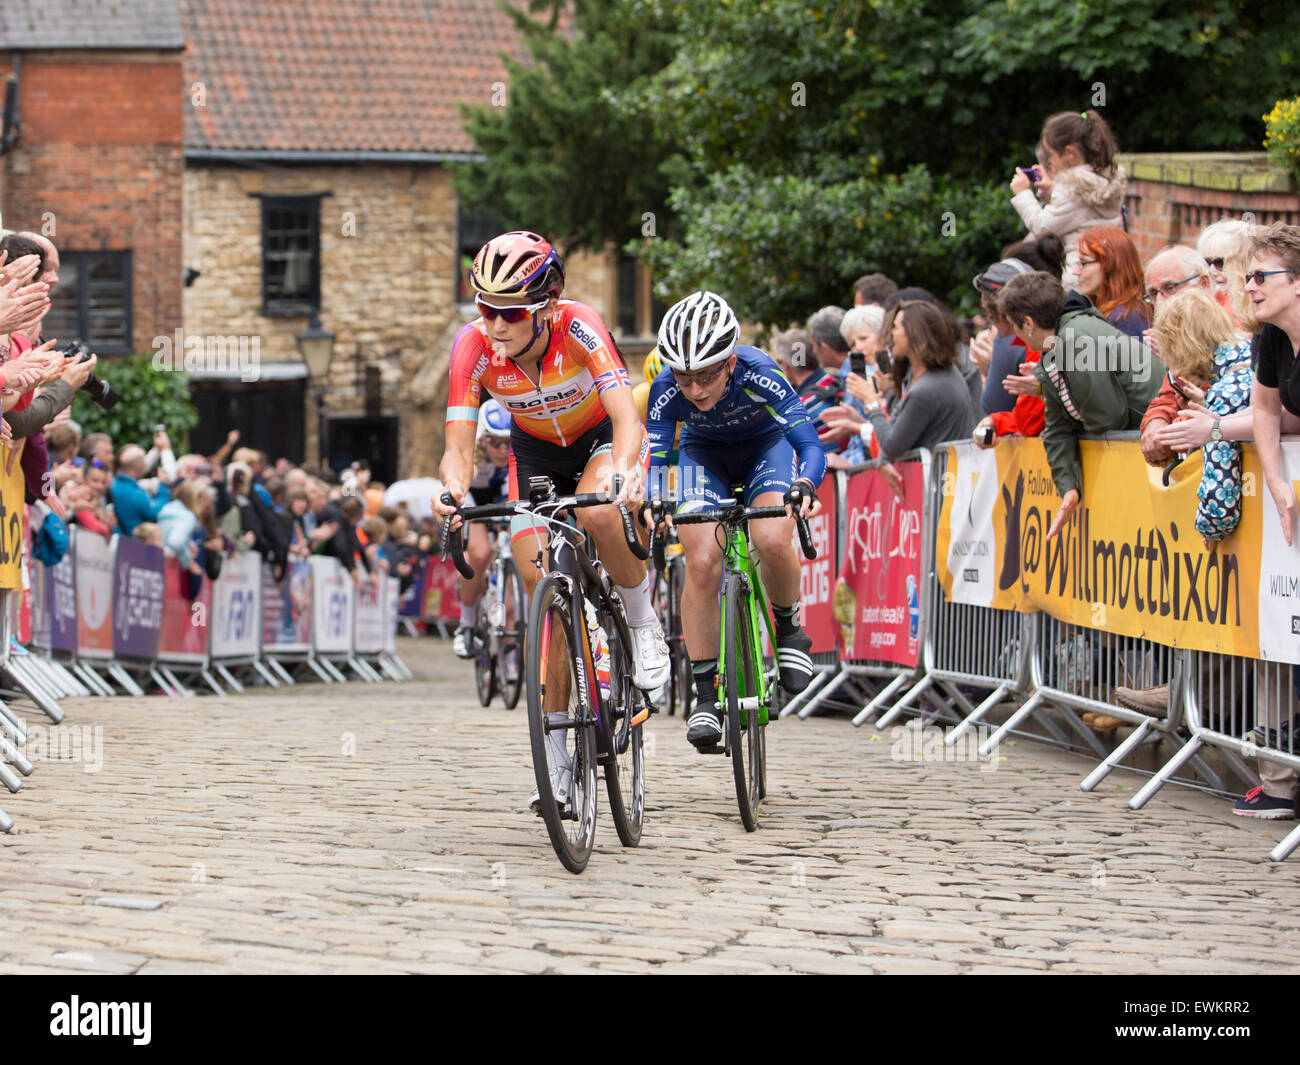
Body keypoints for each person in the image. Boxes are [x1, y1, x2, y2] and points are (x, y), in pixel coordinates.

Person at [433, 230, 669, 698]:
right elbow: (459, 449)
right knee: (540, 582)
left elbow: (626, 417)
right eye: (486, 309)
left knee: (599, 512)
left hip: (600, 440)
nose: (496, 325)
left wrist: (624, 472)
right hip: (536, 454)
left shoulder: (579, 325)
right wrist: (452, 491)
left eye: (512, 312)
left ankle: (642, 623)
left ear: (547, 304)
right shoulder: (473, 346)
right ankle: (559, 747)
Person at [647, 290, 825, 750]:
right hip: (703, 457)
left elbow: (810, 446)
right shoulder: (664, 391)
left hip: (766, 449)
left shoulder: (763, 374)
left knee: (770, 537)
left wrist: (804, 486)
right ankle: (704, 694)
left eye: (706, 376)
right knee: (702, 560)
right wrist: (652, 501)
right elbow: (660, 462)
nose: (696, 390)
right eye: (685, 379)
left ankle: (788, 631)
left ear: (728, 362)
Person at [997, 271, 1164, 539]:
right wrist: (1068, 488)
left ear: (1028, 323)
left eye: (1014, 328)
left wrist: (1076, 422)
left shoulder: (1073, 339)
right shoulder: (1055, 349)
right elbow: (1056, 428)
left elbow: (1109, 417)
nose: (1015, 337)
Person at [841, 300, 976, 459]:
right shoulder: (937, 374)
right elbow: (898, 427)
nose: (891, 334)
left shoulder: (927, 388)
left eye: (896, 327)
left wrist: (871, 401)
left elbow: (892, 445)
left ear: (914, 333)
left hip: (941, 478)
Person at [1009, 109, 1126, 287]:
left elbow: (1041, 226)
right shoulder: (1103, 180)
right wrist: (1051, 191)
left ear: (1069, 153)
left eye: (1051, 156)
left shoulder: (1068, 190)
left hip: (1078, 278)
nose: (1050, 164)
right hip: (1110, 272)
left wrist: (1023, 193)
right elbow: (1078, 212)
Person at [1137, 245, 1220, 465]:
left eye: (1170, 288)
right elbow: (1168, 397)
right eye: (1154, 294)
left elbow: (1217, 409)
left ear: (1203, 283)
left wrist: (1168, 434)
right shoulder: (1181, 339)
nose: (1162, 301)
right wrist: (1155, 424)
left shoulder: (1227, 331)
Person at [451, 398, 512, 658]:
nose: (500, 449)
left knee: (519, 553)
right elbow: (461, 490)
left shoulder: (515, 450)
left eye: (507, 443)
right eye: (494, 442)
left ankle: (512, 641)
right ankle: (465, 624)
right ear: (483, 438)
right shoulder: (473, 449)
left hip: (505, 495)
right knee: (480, 553)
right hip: (473, 497)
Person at [1074, 226, 1150, 338]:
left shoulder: (1125, 319)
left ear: (1110, 265)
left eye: (1084, 263)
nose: (1075, 272)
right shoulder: (1111, 312)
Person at [1196, 218, 1257, 332]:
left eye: (1220, 262)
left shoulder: (1260, 305)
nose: (1212, 271)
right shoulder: (1209, 303)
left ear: (1243, 263)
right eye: (1208, 262)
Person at [110, 445, 170, 537]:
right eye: (143, 461)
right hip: (134, 544)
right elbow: (155, 513)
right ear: (139, 466)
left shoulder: (113, 483)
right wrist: (163, 488)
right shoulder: (134, 493)